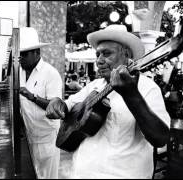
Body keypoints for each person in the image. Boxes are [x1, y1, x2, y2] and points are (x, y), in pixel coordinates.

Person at [46, 25, 171, 178]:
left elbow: (160, 138)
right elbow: (69, 104)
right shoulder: (94, 86)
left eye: (106, 54)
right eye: (97, 54)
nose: (99, 61)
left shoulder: (147, 88)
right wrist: (57, 102)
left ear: (126, 55)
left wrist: (132, 95)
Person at [0, 27, 63, 179]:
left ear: (37, 53)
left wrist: (32, 97)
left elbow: (55, 107)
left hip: (46, 136)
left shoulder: (51, 73)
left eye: (24, 55)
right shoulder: (18, 72)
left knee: (47, 176)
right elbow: (5, 97)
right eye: (18, 55)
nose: (20, 59)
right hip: (27, 135)